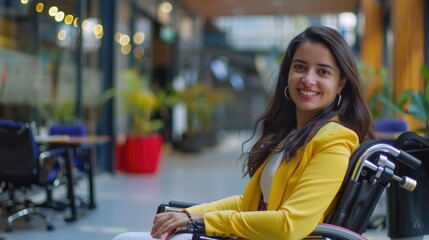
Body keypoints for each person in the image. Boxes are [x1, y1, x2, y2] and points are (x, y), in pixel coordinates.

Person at [112, 25, 374, 240]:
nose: (308, 79)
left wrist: (204, 223)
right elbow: (247, 203)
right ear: (288, 74)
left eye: (323, 72)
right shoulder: (293, 134)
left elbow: (289, 225)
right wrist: (192, 215)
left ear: (340, 83)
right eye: (300, 67)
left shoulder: (334, 141)